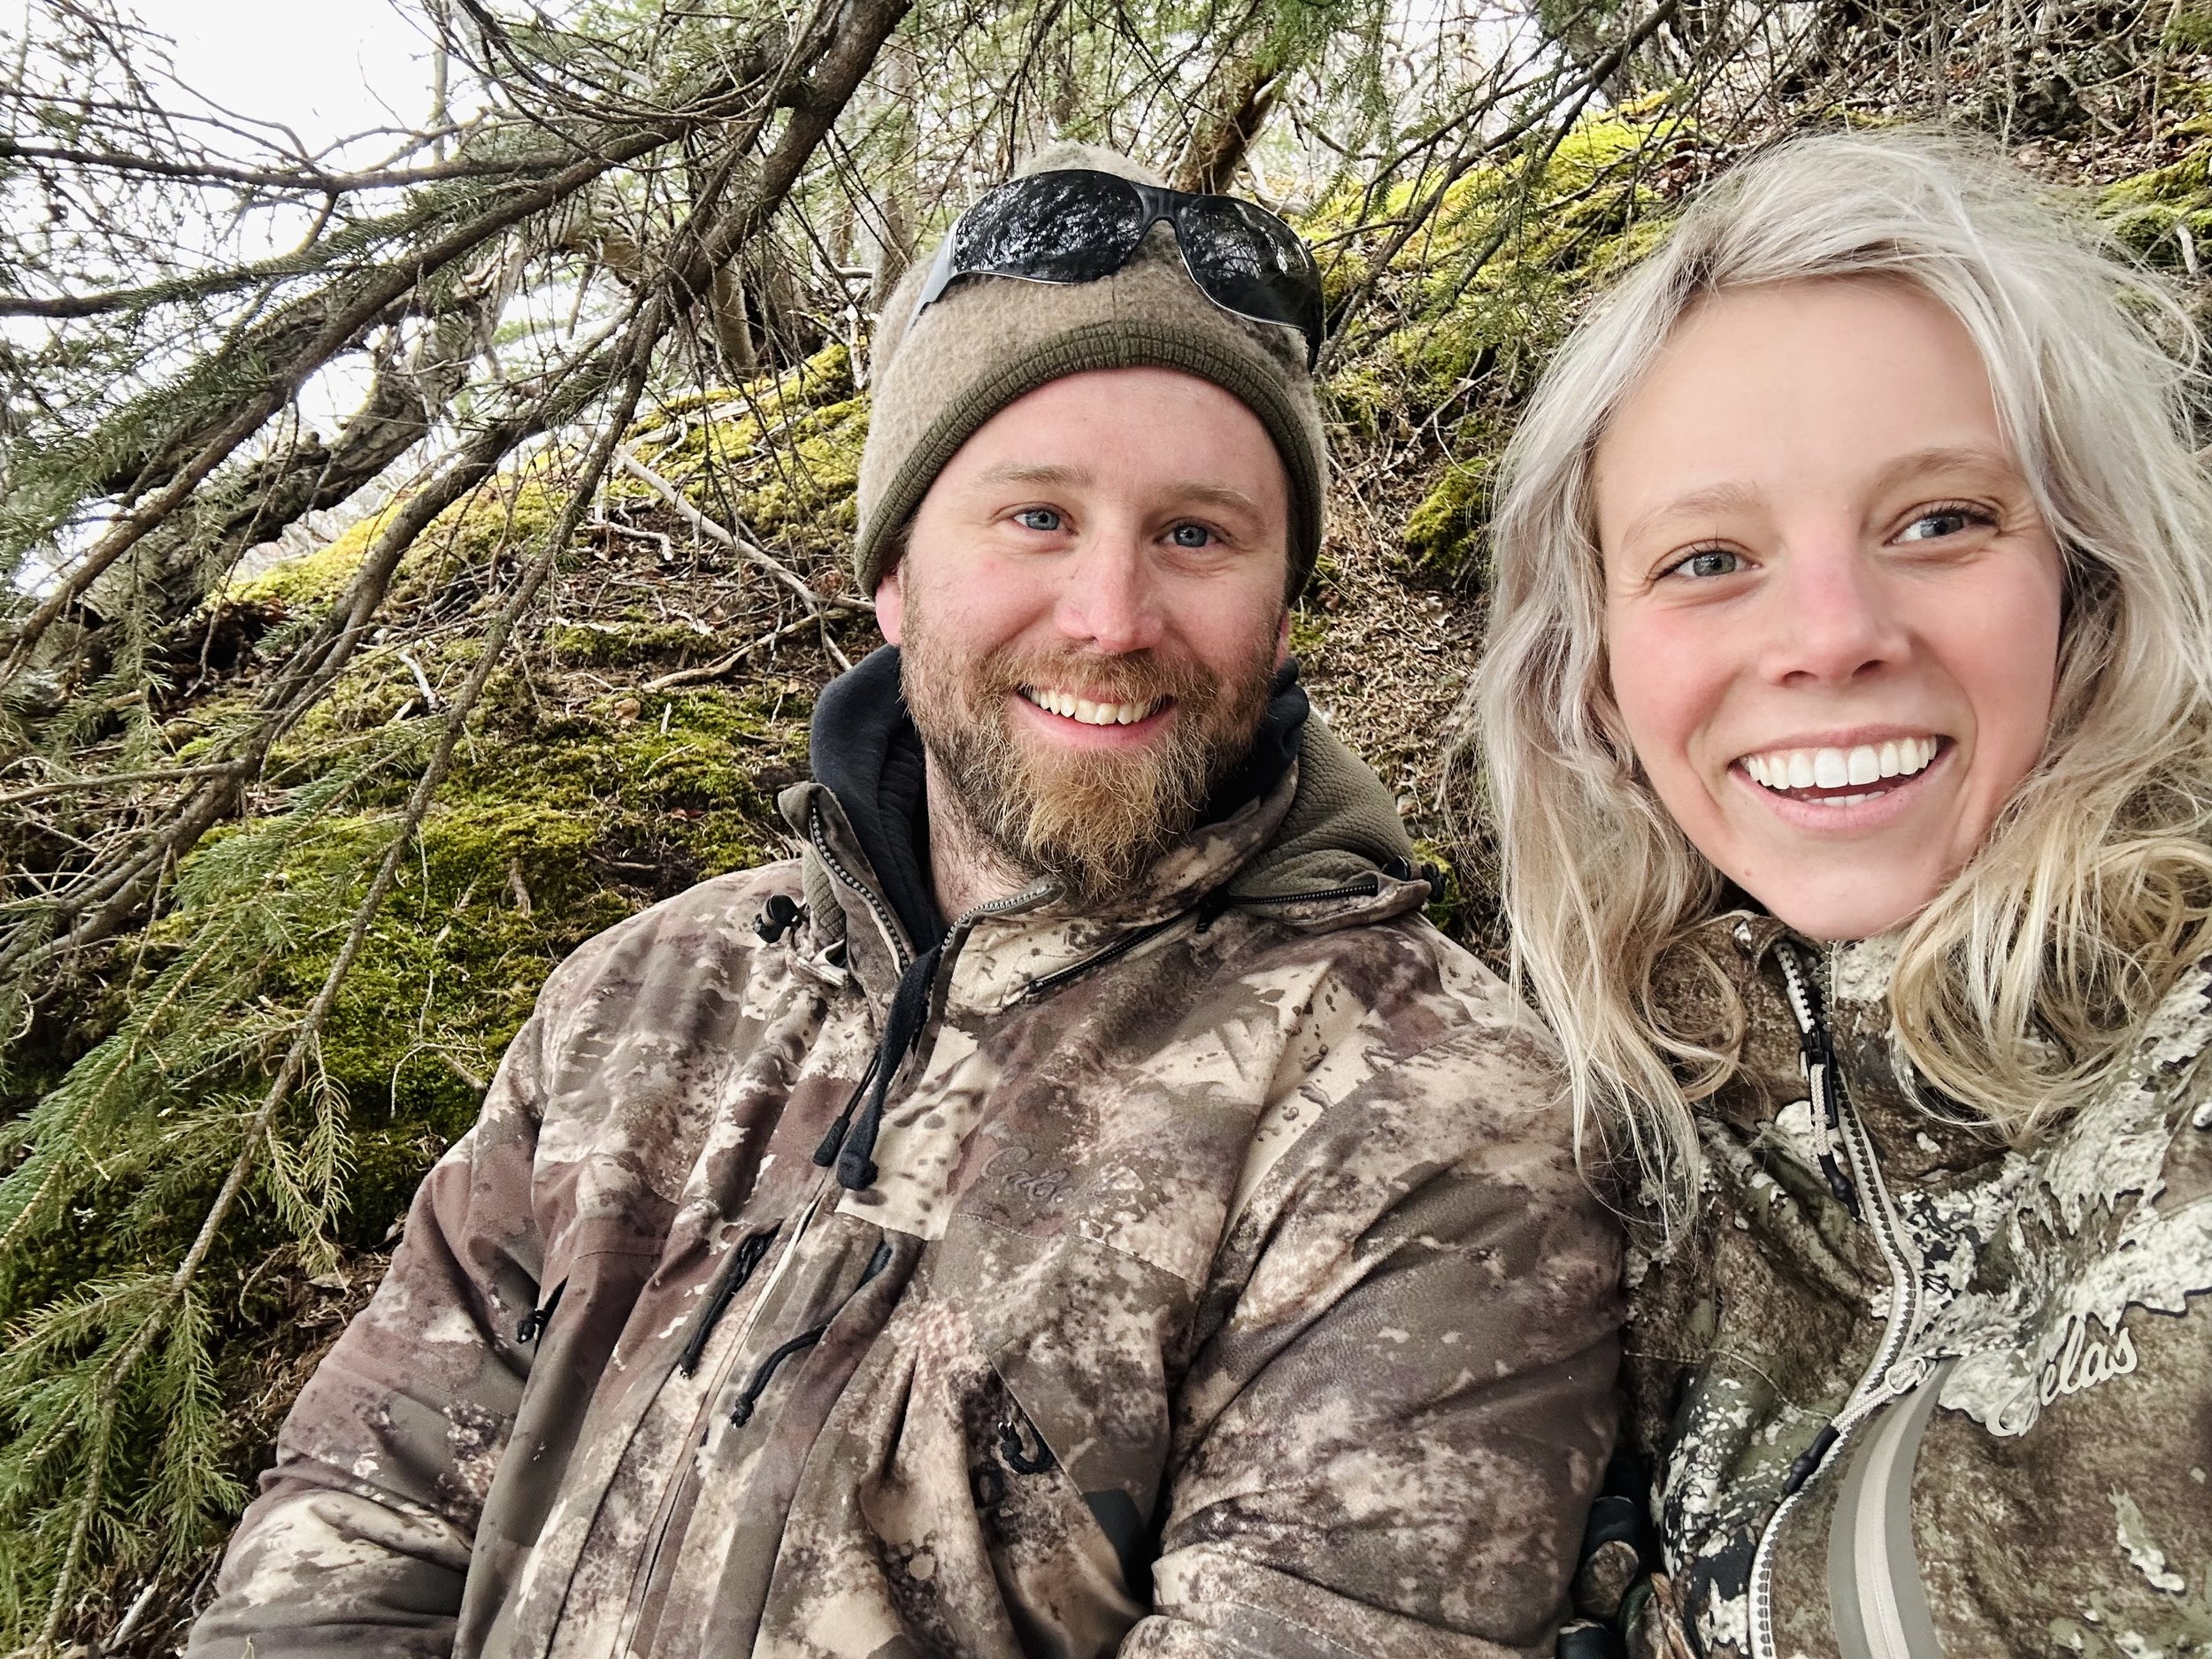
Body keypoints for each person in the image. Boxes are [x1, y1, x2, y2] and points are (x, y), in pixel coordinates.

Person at [186, 145, 1623, 1659]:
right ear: (892, 574)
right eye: (1037, 517)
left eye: (1196, 534)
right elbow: (365, 1512)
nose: (1111, 619)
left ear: (1280, 607)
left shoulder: (1429, 1116)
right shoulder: (645, 994)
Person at [1472, 128, 2212, 1659]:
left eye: (1940, 522)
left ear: (2082, 582)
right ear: (1594, 671)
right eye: (1708, 558)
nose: (1830, 634)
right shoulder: (1618, 1146)